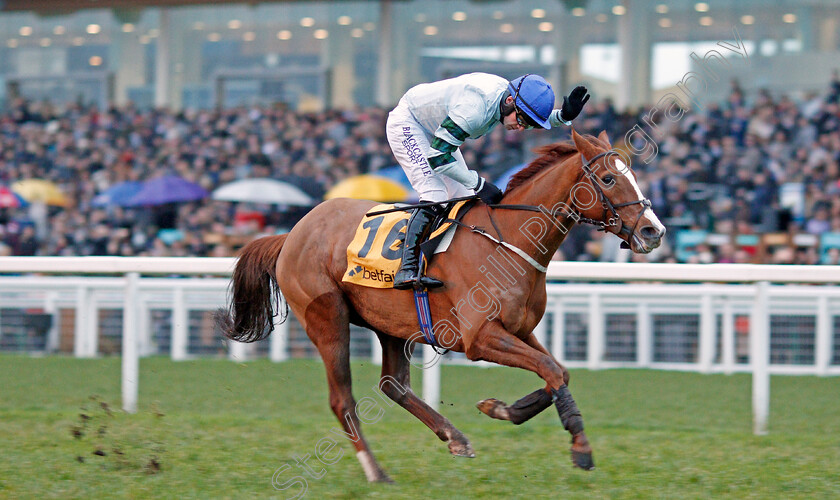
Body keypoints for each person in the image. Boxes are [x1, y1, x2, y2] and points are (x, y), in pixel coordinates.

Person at [386, 72, 590, 289]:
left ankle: (444, 264)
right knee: (435, 194)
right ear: (510, 101)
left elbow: (525, 115)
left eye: (527, 123)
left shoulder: (509, 99)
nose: (521, 128)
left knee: (462, 198)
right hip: (410, 123)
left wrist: (562, 116)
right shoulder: (474, 111)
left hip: (435, 129)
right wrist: (479, 184)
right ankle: (406, 268)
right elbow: (438, 158)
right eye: (521, 120)